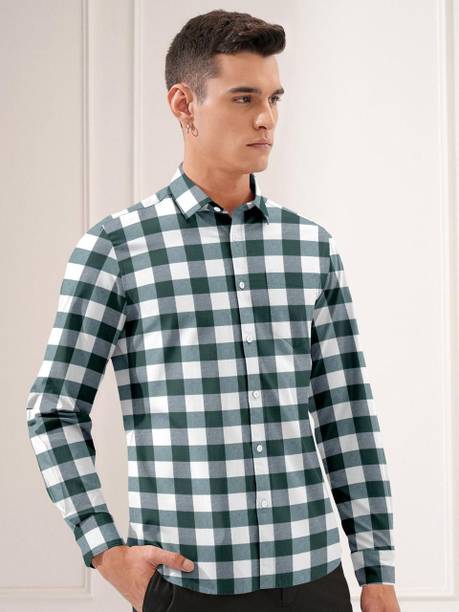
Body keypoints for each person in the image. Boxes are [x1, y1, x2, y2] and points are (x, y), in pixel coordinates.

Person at [26, 9, 401, 612]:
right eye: (244, 98)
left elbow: (347, 414)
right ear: (184, 105)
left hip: (316, 581)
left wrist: (376, 571)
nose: (266, 118)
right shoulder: (117, 249)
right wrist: (106, 551)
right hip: (188, 587)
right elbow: (54, 410)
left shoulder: (311, 247)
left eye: (274, 98)